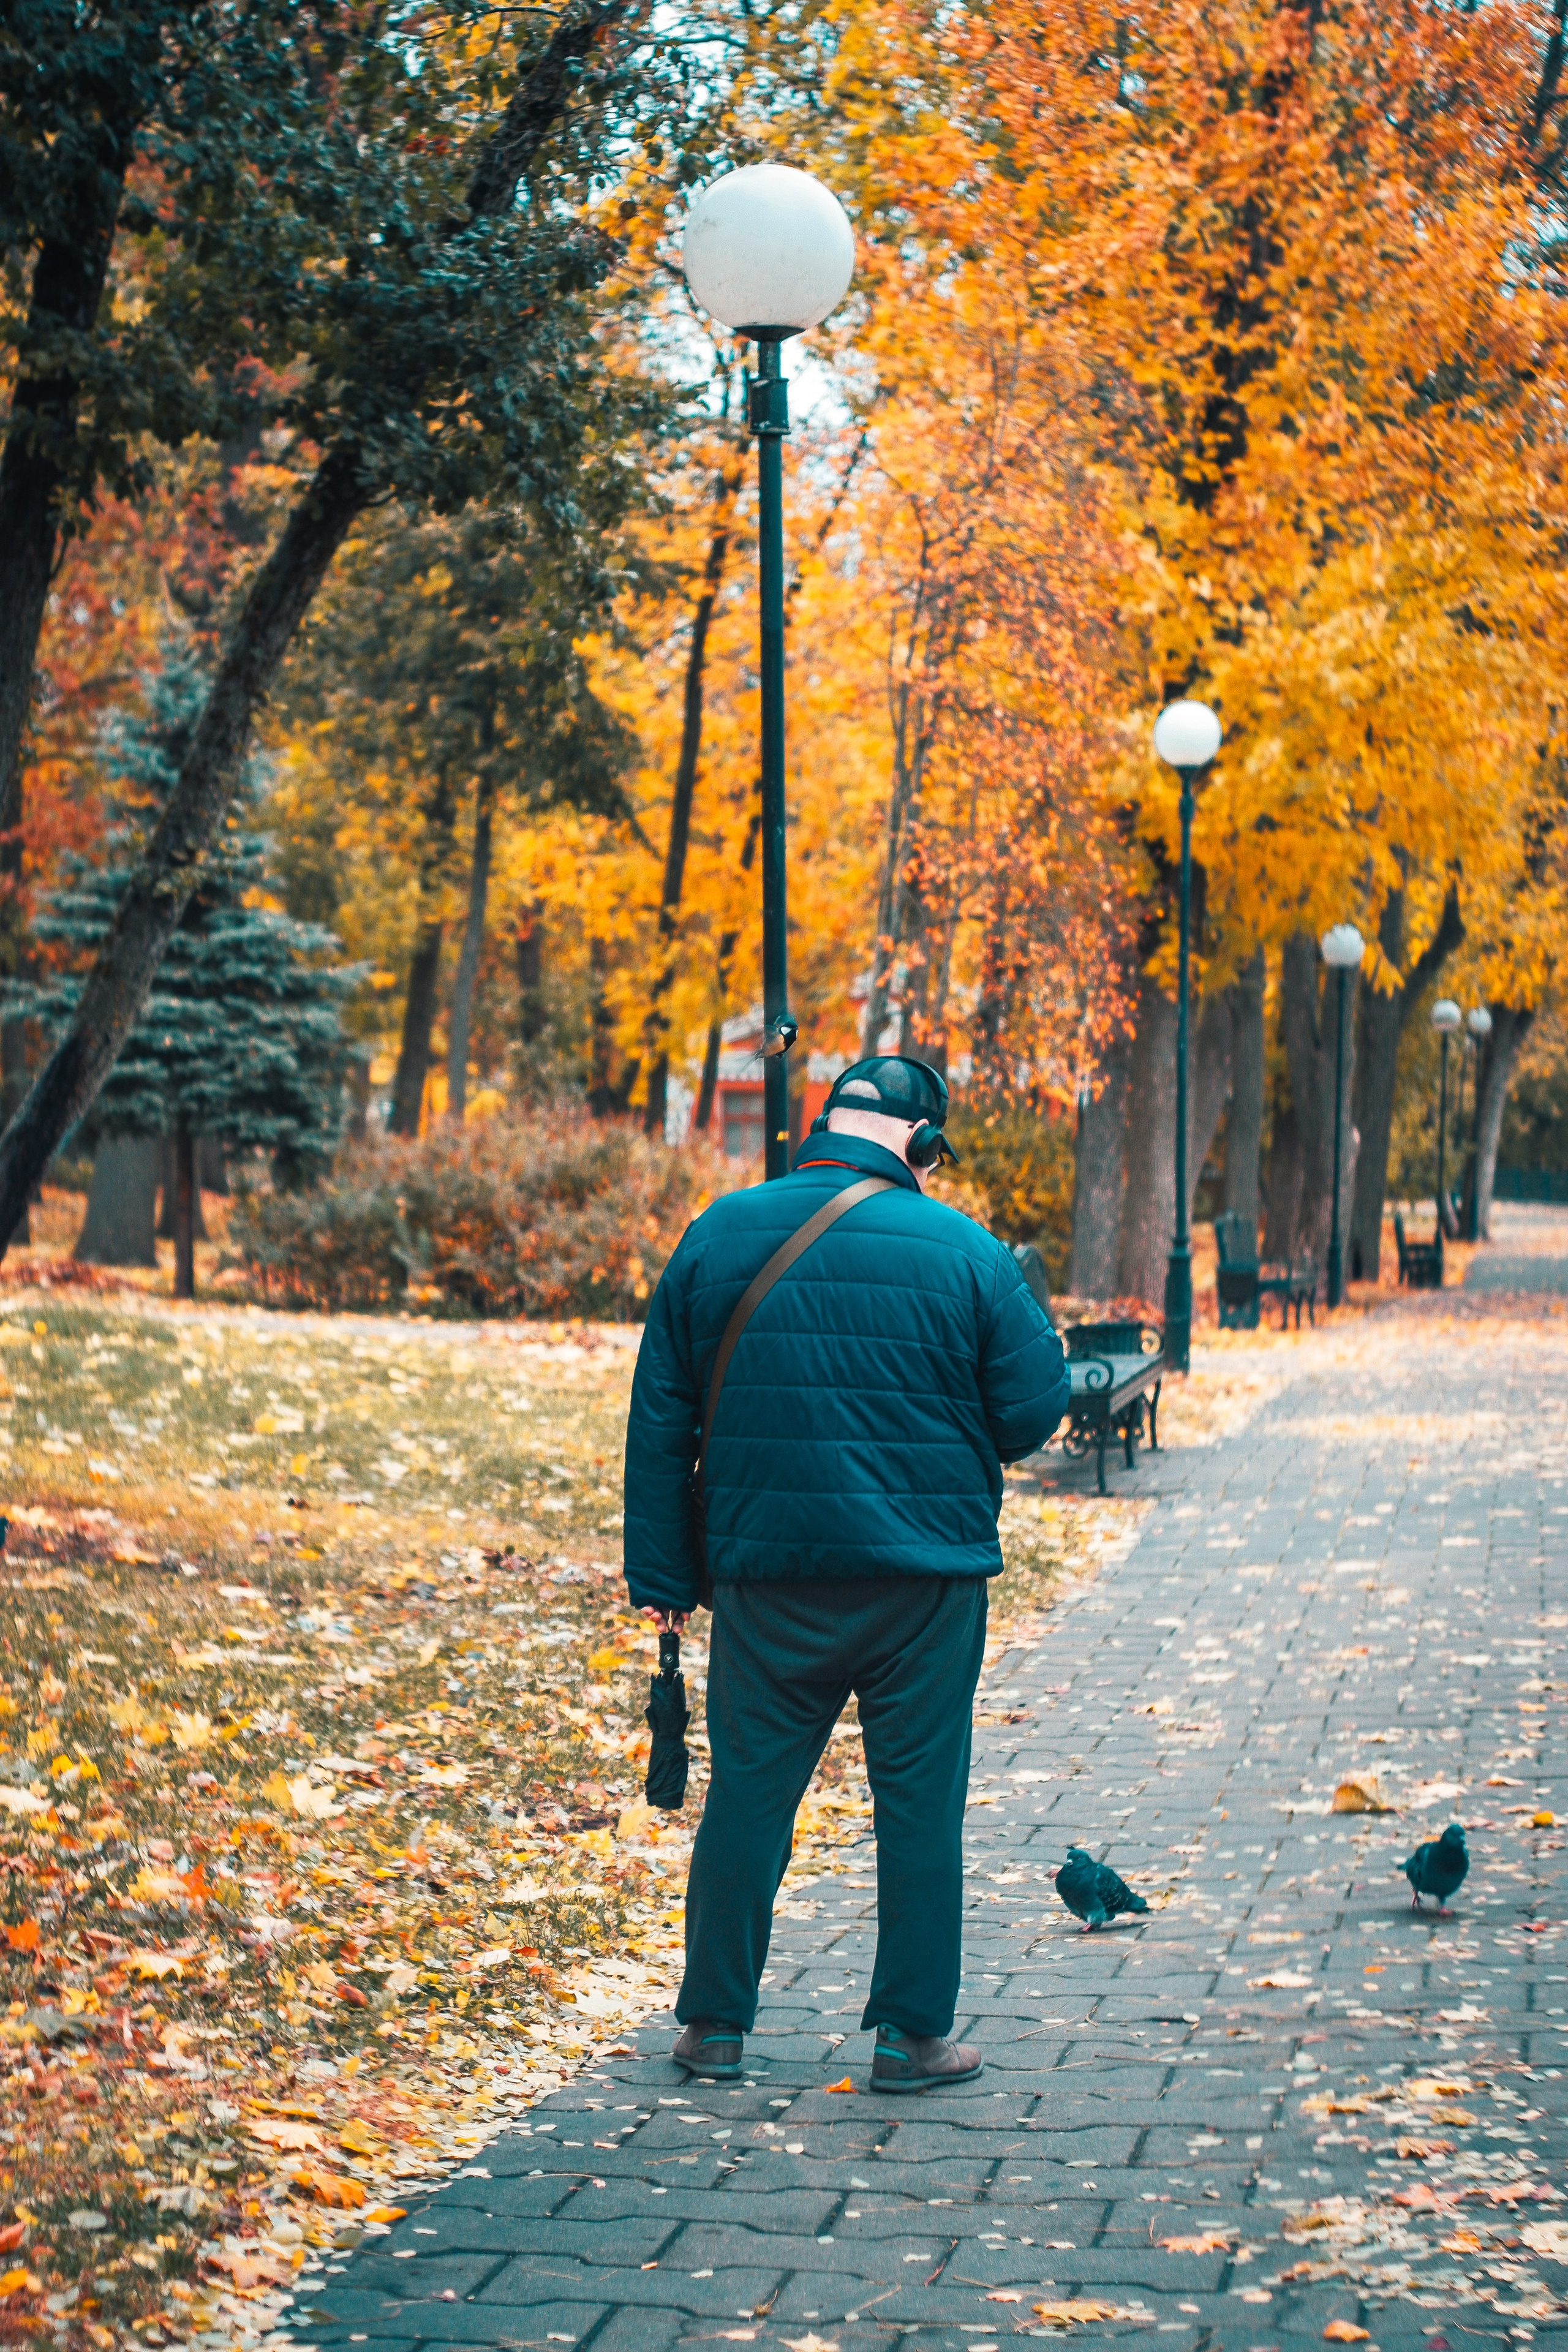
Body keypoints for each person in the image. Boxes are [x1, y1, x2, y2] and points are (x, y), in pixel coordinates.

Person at [622, 1055, 1070, 2091]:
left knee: (748, 1798)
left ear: (824, 1124)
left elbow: (661, 1417)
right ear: (922, 1146)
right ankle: (912, 2040)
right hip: (926, 1580)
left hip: (766, 1577)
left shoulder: (718, 1234)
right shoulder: (969, 1252)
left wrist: (663, 1576)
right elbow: (1033, 1411)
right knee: (918, 1806)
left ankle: (715, 2027)